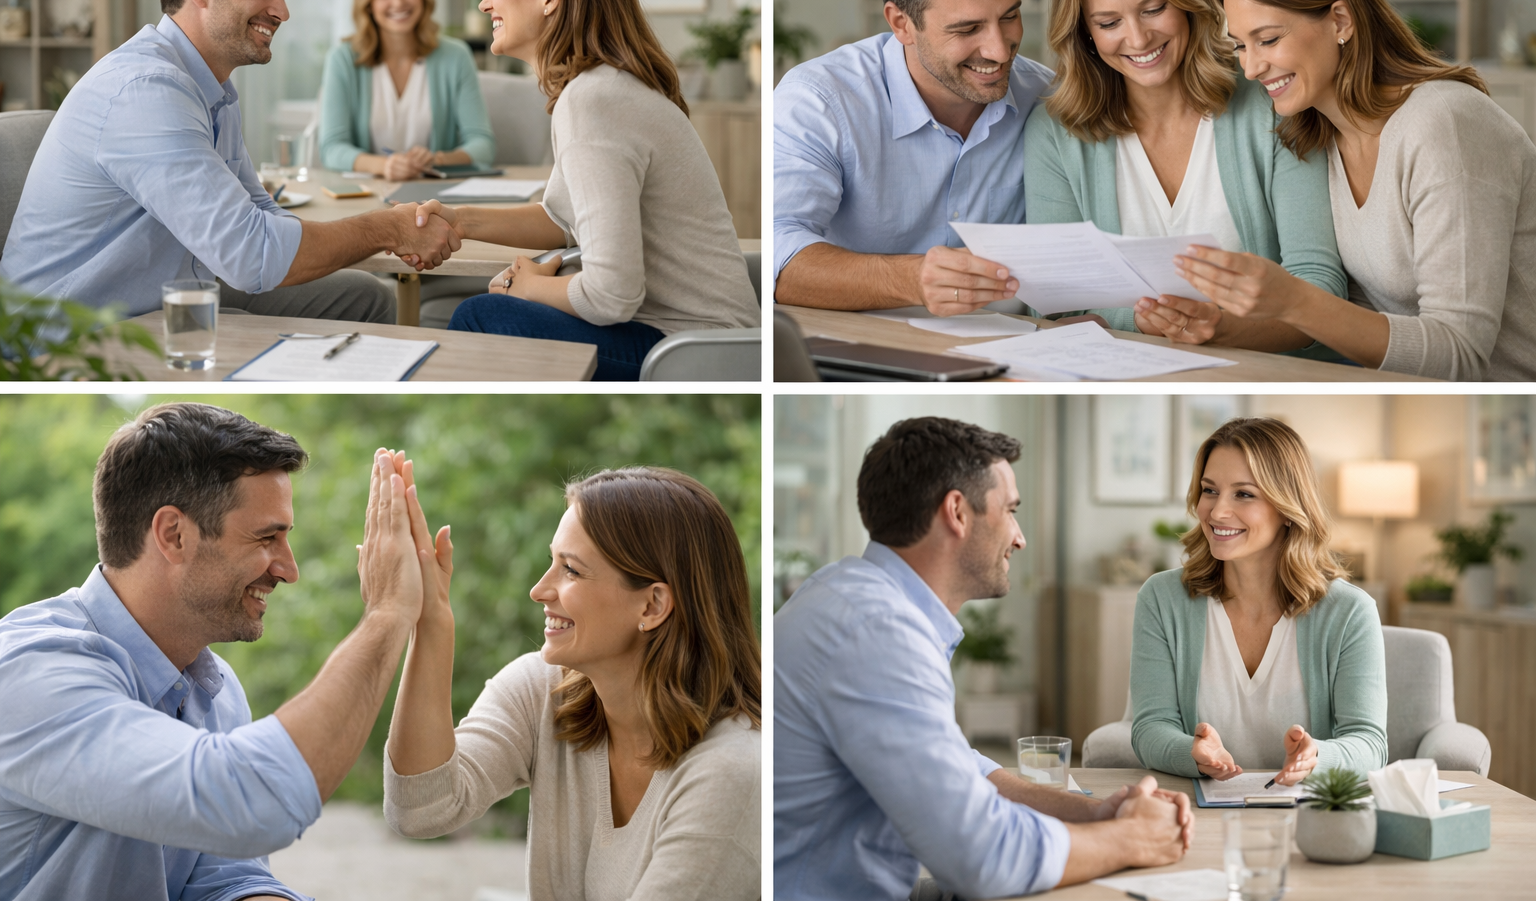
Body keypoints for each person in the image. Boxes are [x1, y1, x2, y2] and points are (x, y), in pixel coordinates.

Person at [0, 402, 435, 901]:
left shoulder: (217, 691)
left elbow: (226, 882)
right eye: (266, 538)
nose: (289, 570)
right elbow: (245, 800)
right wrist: (386, 615)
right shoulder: (32, 671)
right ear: (174, 535)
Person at [775, 417, 1192, 901]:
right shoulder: (878, 632)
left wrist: (1096, 813)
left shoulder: (847, 592)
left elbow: (952, 766)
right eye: (1010, 511)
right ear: (957, 511)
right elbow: (981, 859)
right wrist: (1131, 837)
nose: (1019, 537)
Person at [0, 0, 461, 322]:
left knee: (363, 298)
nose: (281, 11)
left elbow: (263, 216)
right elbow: (252, 256)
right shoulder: (146, 90)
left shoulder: (211, 88)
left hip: (170, 293)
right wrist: (386, 227)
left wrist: (386, 227)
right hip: (79, 328)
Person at [1173, 0, 1536, 380]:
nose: (1250, 67)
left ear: (1340, 21)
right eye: (1240, 46)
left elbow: (1460, 355)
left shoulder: (1443, 123)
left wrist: (1296, 299)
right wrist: (1223, 328)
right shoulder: (1317, 137)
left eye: (1268, 40)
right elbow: (1359, 321)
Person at [383, 465, 760, 900]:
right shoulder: (542, 690)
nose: (539, 590)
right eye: (552, 562)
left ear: (653, 605)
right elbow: (419, 808)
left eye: (571, 571)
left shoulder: (733, 773)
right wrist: (430, 619)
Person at [404, 0, 757, 380]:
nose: (485, 1)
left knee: (481, 316)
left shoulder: (593, 102)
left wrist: (527, 288)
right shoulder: (602, 89)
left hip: (694, 351)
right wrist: (461, 220)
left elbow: (613, 295)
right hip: (691, 336)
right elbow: (562, 218)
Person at [1023, 0, 1345, 353]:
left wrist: (1216, 326)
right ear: (1085, 33)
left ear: (1187, 0)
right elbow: (1054, 305)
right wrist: (1148, 320)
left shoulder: (1271, 98)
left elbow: (1319, 285)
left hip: (1266, 365)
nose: (1138, 39)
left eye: (1154, 8)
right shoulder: (1054, 131)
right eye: (1109, 23)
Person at [773, 0, 1053, 316]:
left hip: (1007, 357)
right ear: (901, 24)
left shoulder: (1048, 98)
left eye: (1009, 16)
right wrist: (910, 278)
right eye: (968, 28)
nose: (998, 49)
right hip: (856, 357)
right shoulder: (821, 100)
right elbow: (780, 256)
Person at [1130, 417, 1387, 784]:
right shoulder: (1161, 599)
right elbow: (1150, 727)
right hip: (1196, 811)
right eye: (1209, 490)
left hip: (1309, 820)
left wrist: (1317, 757)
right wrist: (1194, 753)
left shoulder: (1349, 612)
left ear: (1287, 507)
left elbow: (1370, 744)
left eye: (1244, 494)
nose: (1217, 512)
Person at [318, 0, 495, 180]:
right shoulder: (342, 60)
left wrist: (436, 159)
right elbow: (331, 148)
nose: (399, 2)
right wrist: (385, 166)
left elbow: (483, 145)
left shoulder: (456, 56)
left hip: (435, 197)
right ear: (368, 3)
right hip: (367, 197)